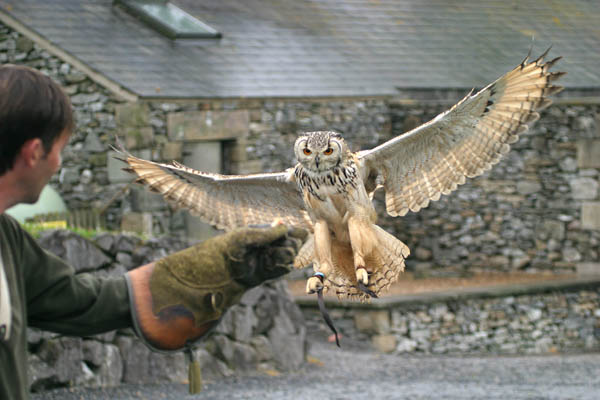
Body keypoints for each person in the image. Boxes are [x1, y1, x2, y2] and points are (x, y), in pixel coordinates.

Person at [0, 64, 302, 399]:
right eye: (59, 148)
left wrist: (222, 266)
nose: (59, 164)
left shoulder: (8, 240)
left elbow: (84, 302)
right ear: (33, 152)